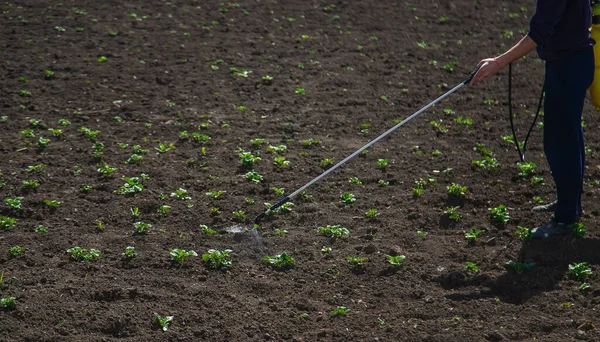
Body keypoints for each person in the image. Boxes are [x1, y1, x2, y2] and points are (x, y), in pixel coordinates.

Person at [470, 0, 595, 239]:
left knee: (560, 143)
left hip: (569, 65)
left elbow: (539, 32)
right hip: (571, 61)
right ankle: (570, 203)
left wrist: (498, 62)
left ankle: (566, 218)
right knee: (569, 135)